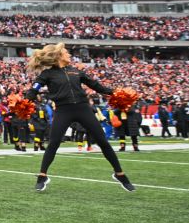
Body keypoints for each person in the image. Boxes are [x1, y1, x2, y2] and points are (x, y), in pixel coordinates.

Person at [23, 43, 135, 192]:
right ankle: (42, 176)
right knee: (54, 143)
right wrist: (25, 102)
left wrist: (116, 92)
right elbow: (34, 90)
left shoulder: (76, 71)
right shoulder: (47, 74)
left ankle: (120, 174)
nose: (69, 54)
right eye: (66, 52)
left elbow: (96, 86)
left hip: (83, 108)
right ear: (58, 56)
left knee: (103, 141)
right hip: (63, 110)